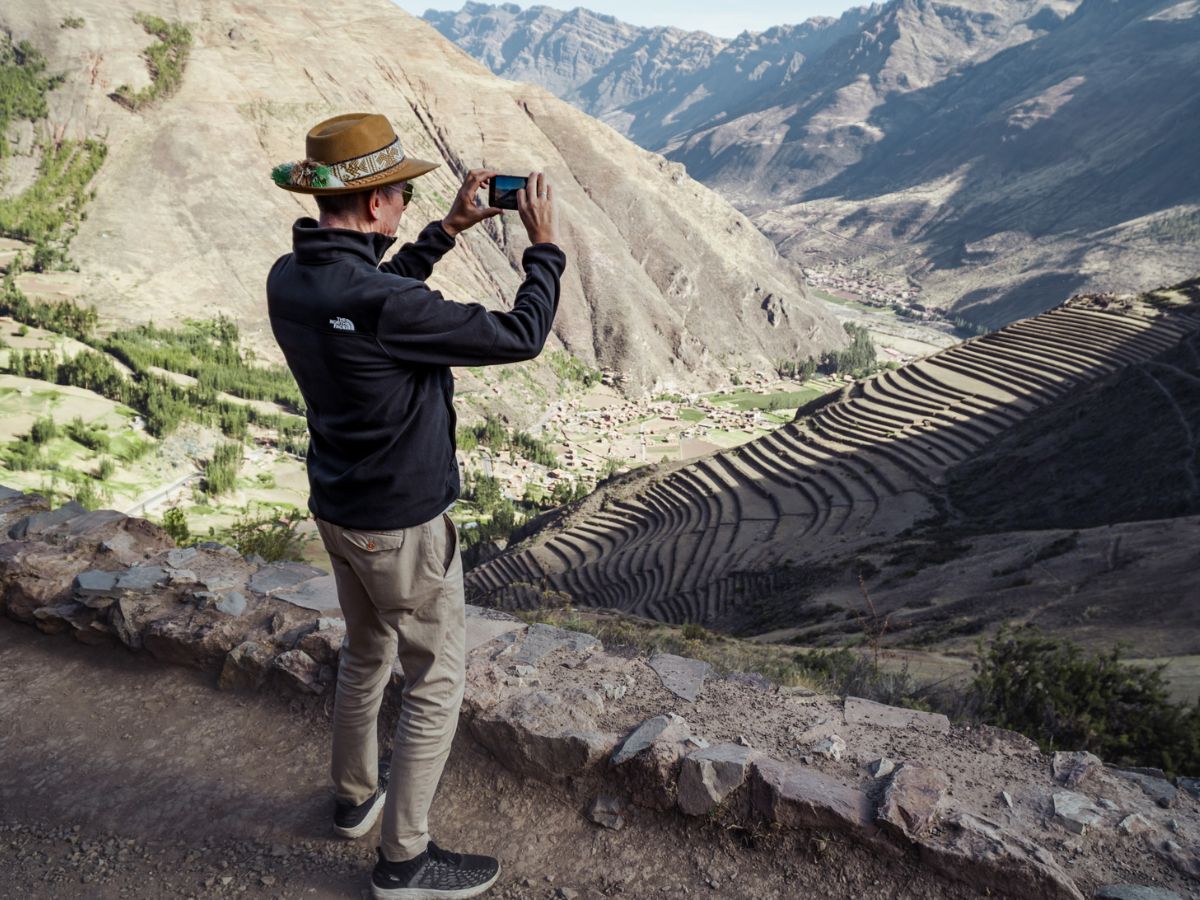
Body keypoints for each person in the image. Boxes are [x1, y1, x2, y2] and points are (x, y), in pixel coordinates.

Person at [265, 112, 564, 899]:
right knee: (435, 678)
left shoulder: (289, 278)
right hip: (401, 525)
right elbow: (522, 333)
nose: (403, 206)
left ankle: (353, 799)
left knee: (366, 655)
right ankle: (405, 859)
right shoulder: (379, 303)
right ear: (372, 206)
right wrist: (543, 247)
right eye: (400, 195)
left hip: (337, 507)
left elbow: (369, 295)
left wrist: (446, 231)